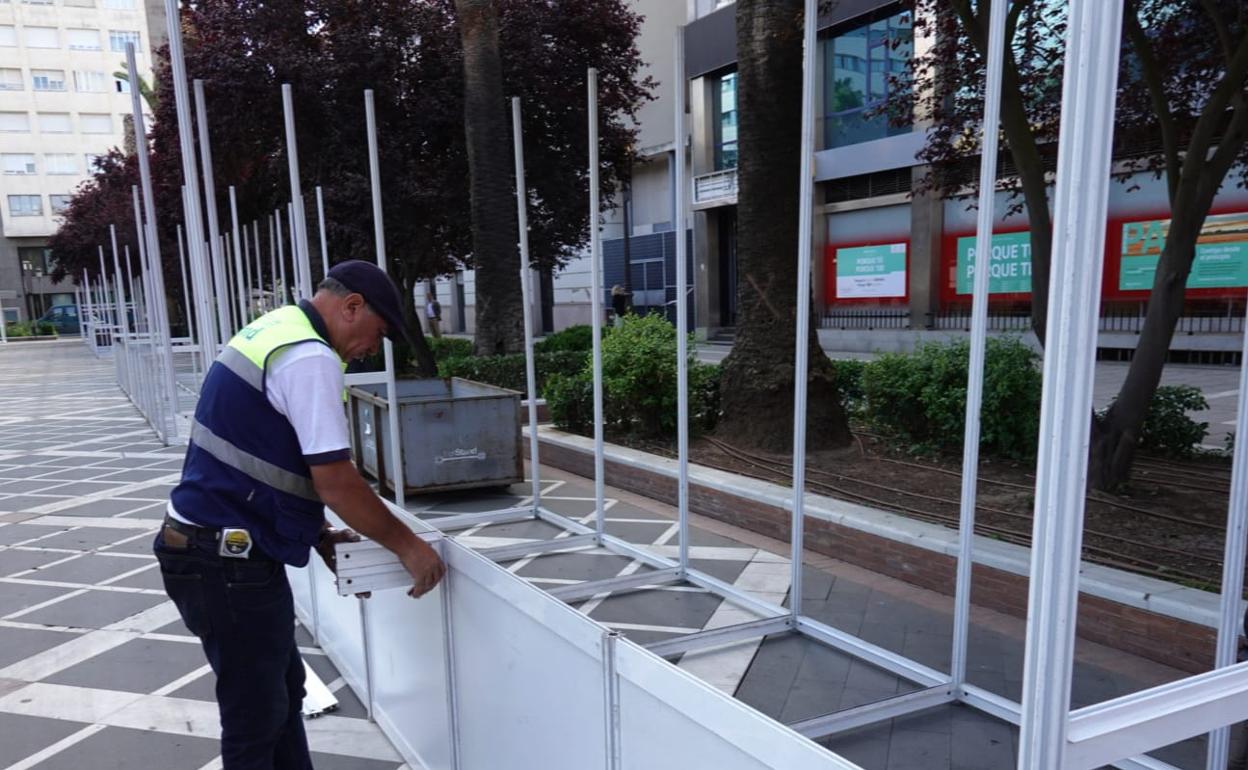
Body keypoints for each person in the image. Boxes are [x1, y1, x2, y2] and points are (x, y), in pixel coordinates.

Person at [155, 260, 446, 770]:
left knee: (281, 693)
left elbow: (263, 457)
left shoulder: (274, 330)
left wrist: (318, 535)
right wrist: (409, 546)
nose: (372, 349)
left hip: (213, 549)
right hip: (223, 559)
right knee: (256, 717)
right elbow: (334, 480)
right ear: (351, 306)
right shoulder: (309, 356)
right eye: (378, 332)